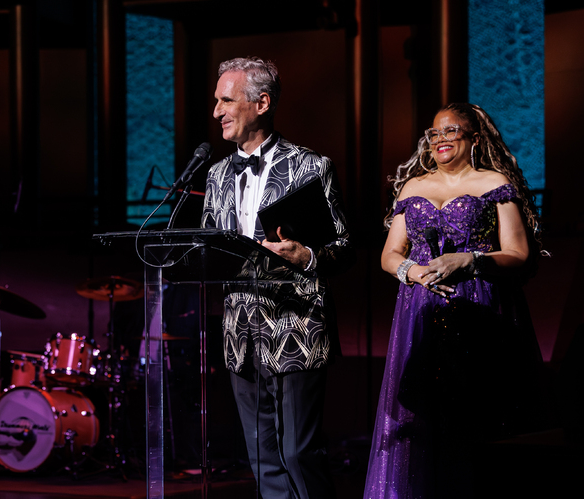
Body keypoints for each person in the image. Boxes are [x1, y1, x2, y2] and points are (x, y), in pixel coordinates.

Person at [363, 103, 546, 498]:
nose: (441, 139)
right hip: (420, 311)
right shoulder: (413, 187)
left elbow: (519, 254)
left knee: (479, 413)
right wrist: (411, 271)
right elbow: (389, 253)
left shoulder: (493, 182)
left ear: (474, 138)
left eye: (451, 131)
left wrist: (472, 260)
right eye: (434, 133)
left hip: (480, 308)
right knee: (423, 418)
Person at [201, 56, 353, 498]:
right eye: (216, 101)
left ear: (261, 103)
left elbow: (345, 250)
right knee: (261, 457)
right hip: (239, 333)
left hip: (296, 329)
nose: (217, 111)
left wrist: (306, 256)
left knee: (299, 455)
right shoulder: (214, 176)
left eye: (226, 100)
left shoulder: (311, 167)